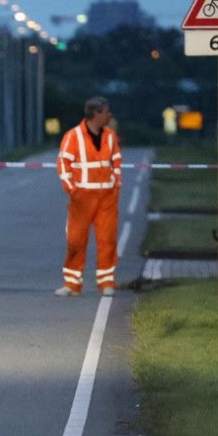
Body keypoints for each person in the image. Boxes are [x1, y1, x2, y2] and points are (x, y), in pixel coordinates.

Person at [56, 96, 123, 297]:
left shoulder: (110, 136)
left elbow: (116, 162)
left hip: (106, 197)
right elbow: (63, 164)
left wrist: (115, 186)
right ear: (96, 113)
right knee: (76, 240)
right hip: (82, 197)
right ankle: (72, 283)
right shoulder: (73, 136)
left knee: (107, 239)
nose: (109, 115)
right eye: (106, 112)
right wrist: (72, 190)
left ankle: (106, 282)